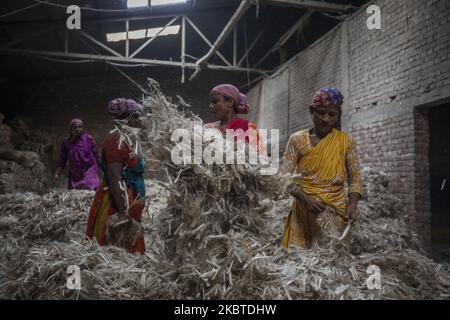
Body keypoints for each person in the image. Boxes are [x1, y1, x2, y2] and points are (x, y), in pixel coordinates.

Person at [281, 87, 363, 249]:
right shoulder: (297, 140)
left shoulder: (345, 141)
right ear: (312, 111)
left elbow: (355, 178)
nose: (325, 119)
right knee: (300, 261)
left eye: (332, 115)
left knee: (333, 259)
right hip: (303, 211)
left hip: (334, 212)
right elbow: (283, 178)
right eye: (321, 112)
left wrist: (352, 205)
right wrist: (304, 198)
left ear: (338, 116)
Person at [86, 98, 146, 254]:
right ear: (130, 118)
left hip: (129, 200)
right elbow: (114, 177)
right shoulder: (116, 140)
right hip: (116, 203)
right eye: (138, 117)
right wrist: (124, 212)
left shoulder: (128, 139)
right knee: (116, 247)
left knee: (130, 246)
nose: (141, 121)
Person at [206, 84, 261, 149]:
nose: (211, 106)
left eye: (215, 102)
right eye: (211, 103)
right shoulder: (207, 128)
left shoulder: (248, 128)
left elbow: (260, 156)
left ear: (230, 102)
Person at [54, 119, 100, 191]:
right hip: (75, 175)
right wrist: (57, 174)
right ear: (71, 129)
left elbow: (97, 156)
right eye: (75, 127)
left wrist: (104, 170)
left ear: (83, 128)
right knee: (76, 195)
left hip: (90, 171)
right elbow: (62, 160)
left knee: (92, 187)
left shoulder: (88, 139)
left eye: (80, 127)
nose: (77, 129)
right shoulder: (66, 143)